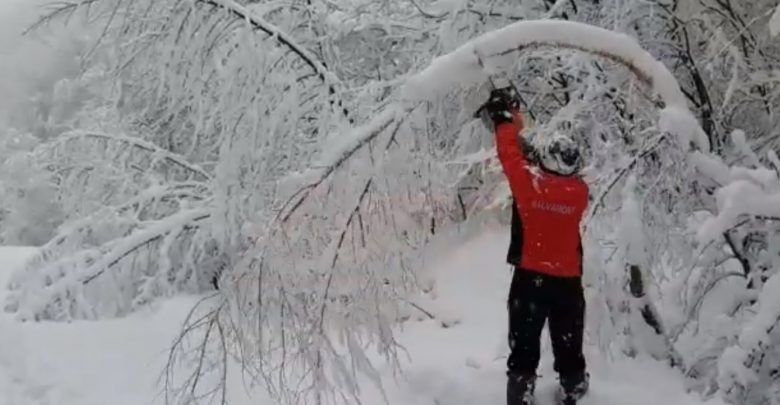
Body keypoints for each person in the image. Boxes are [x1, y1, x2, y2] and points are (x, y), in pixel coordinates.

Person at [482, 87, 590, 405]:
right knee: (568, 343)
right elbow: (535, 166)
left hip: (530, 281)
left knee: (525, 343)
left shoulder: (529, 187)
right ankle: (573, 388)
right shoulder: (579, 193)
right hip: (568, 283)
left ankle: (521, 394)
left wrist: (507, 118)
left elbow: (510, 153)